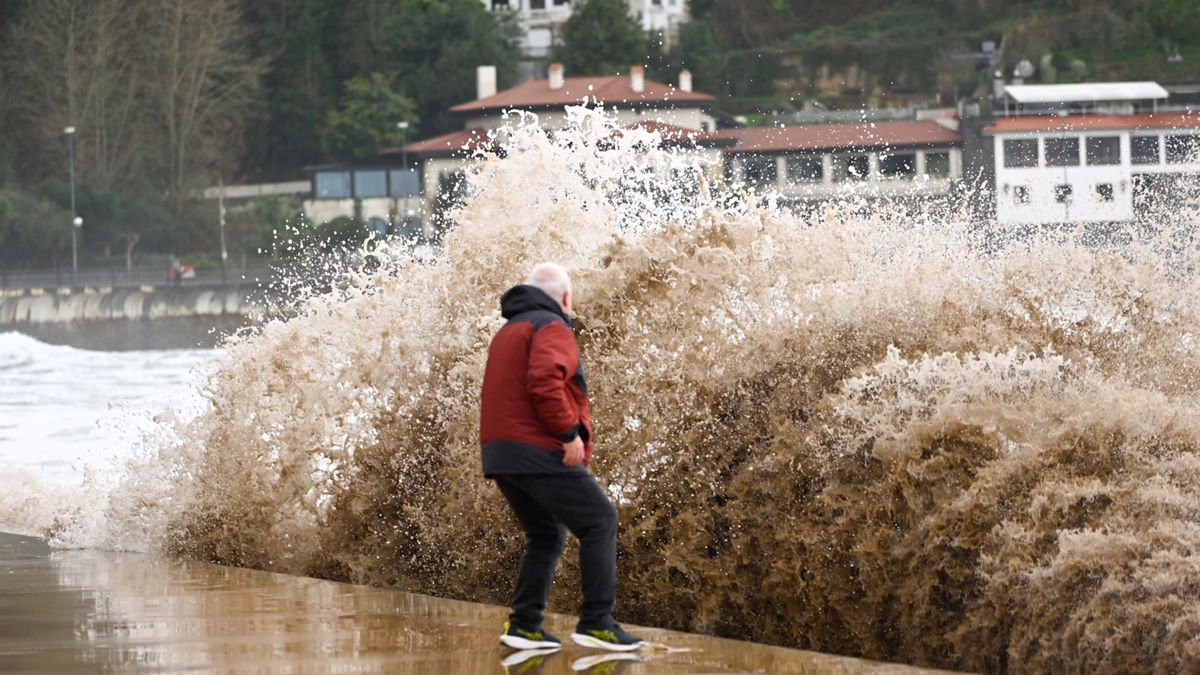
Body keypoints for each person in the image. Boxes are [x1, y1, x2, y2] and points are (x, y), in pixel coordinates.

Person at [480, 262, 645, 653]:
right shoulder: (552, 326)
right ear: (566, 297)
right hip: (536, 450)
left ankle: (524, 625)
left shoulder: (509, 330)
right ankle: (597, 623)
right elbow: (544, 382)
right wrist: (569, 433)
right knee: (601, 520)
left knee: (547, 533)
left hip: (500, 452)